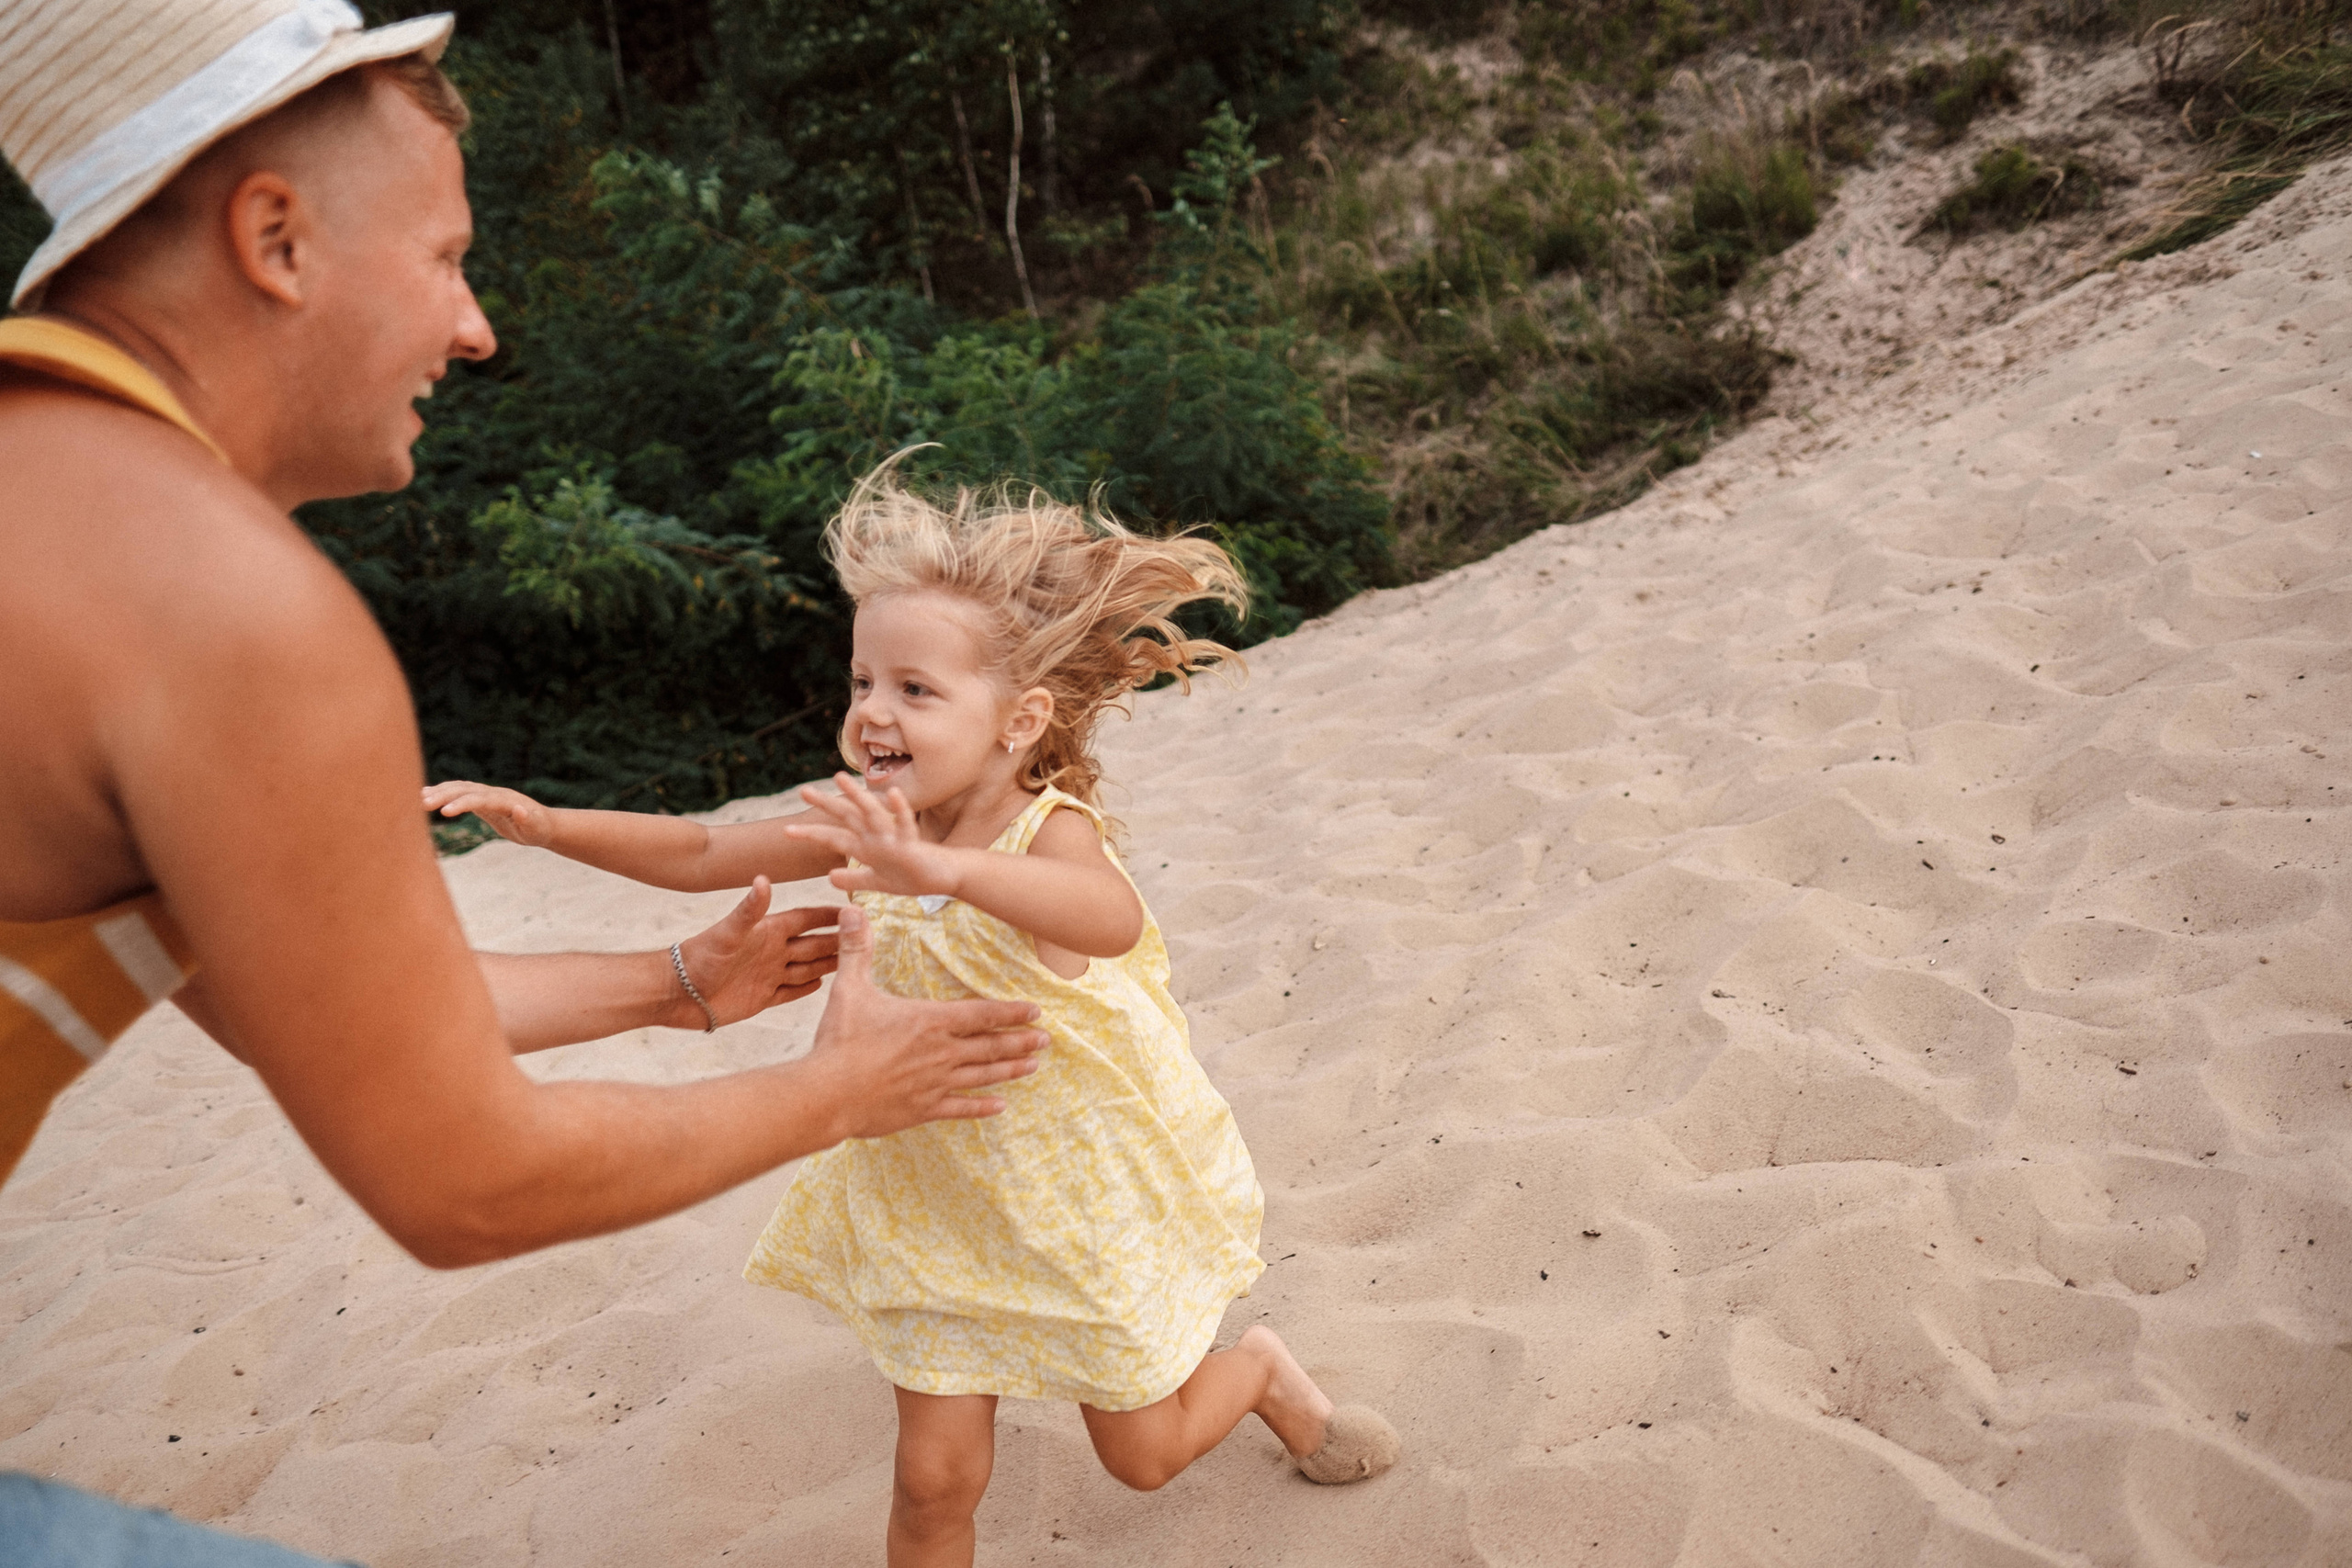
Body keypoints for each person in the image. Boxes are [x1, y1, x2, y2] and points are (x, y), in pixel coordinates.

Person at [2, 4, 1046, 1560]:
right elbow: (464, 1180)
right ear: (275, 237)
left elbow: (337, 1005)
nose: (476, 326)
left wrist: (679, 980)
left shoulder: (58, 504)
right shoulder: (221, 605)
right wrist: (850, 1085)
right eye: (441, 256)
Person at [425, 468, 1400, 1567]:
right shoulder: (869, 825)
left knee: (1144, 1453)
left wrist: (935, 866)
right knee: (934, 1482)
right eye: (861, 681)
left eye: (914, 689)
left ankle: (1263, 1370)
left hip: (1077, 1192)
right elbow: (703, 850)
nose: (871, 712)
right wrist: (551, 825)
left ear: (1016, 719)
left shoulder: (1046, 833)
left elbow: (1108, 919)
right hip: (934, 1199)